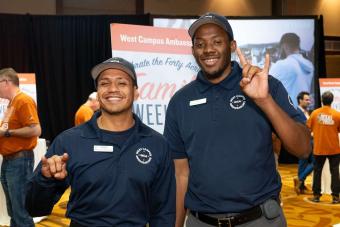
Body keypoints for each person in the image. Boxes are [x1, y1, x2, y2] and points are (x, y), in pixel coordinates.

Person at [164, 12, 311, 227]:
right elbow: (180, 175)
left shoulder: (265, 85)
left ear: (232, 46)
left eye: (217, 42)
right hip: (200, 222)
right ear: (193, 50)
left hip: (259, 220)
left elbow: (304, 148)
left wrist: (265, 101)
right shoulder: (180, 102)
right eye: (200, 44)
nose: (208, 50)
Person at [26, 57, 176, 226]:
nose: (113, 89)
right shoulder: (69, 141)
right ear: (98, 93)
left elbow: (164, 211)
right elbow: (34, 208)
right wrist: (46, 179)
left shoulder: (157, 144)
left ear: (136, 92)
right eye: (104, 83)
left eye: (122, 83)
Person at [0, 68, 41, 227]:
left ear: (6, 82)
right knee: (14, 211)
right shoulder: (12, 103)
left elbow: (36, 129)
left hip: (19, 161)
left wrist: (8, 133)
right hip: (10, 161)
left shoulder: (23, 100)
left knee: (20, 211)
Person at [306, 91, 340, 204]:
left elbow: (308, 128)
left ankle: (316, 195)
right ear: (332, 101)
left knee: (317, 171)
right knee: (335, 172)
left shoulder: (315, 113)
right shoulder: (337, 114)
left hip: (319, 148)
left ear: (321, 100)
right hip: (334, 148)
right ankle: (336, 197)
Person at [269, 33, 314, 108]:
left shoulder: (282, 65)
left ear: (284, 46)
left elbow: (266, 86)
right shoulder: (309, 64)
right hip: (304, 111)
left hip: (287, 114)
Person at [294, 91, 314, 195]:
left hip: (310, 141)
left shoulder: (308, 112)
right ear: (300, 100)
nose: (309, 101)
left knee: (304, 164)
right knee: (315, 162)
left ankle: (300, 184)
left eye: (309, 99)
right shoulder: (297, 112)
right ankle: (300, 179)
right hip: (302, 141)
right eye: (306, 100)